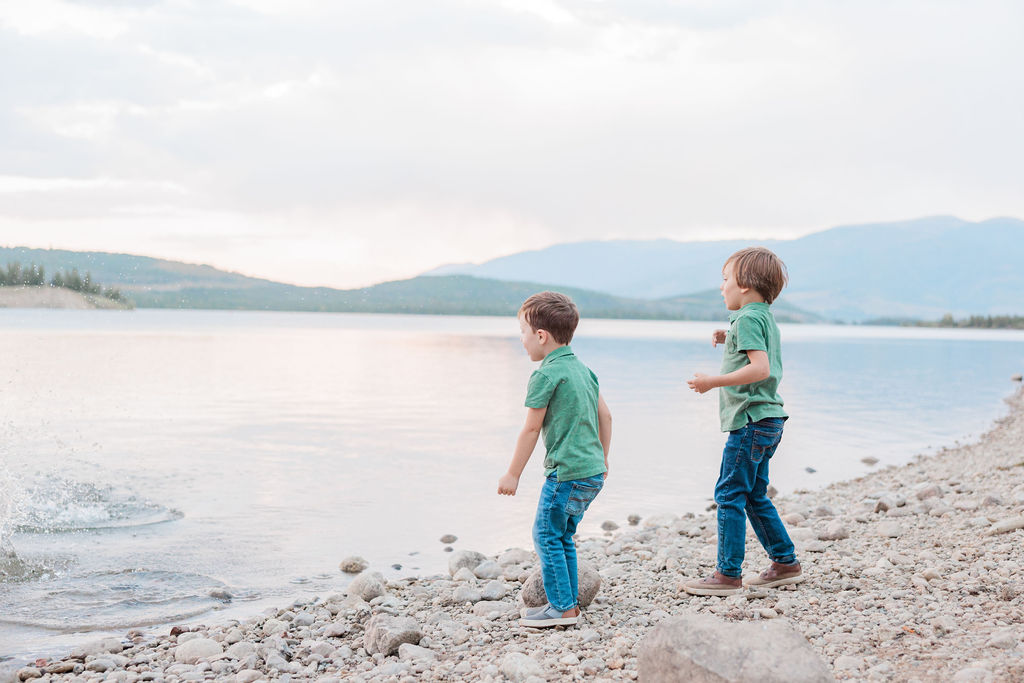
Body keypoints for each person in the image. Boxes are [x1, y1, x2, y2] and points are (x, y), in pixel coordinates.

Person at [682, 246, 804, 596]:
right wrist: (728, 336)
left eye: (725, 280)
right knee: (753, 494)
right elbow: (756, 347)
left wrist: (711, 382)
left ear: (746, 285)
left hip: (751, 420)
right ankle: (784, 562)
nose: (722, 287)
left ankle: (727, 574)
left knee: (729, 492)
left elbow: (760, 368)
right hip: (769, 419)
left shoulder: (748, 319)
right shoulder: (760, 316)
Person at [498, 291, 612, 627]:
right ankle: (569, 604)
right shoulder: (583, 370)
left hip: (565, 475)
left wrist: (512, 474)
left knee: (546, 534)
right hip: (592, 472)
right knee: (562, 536)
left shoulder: (545, 375)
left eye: (522, 333)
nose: (522, 340)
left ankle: (562, 608)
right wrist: (603, 460)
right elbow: (606, 417)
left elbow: (531, 430)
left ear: (541, 336)